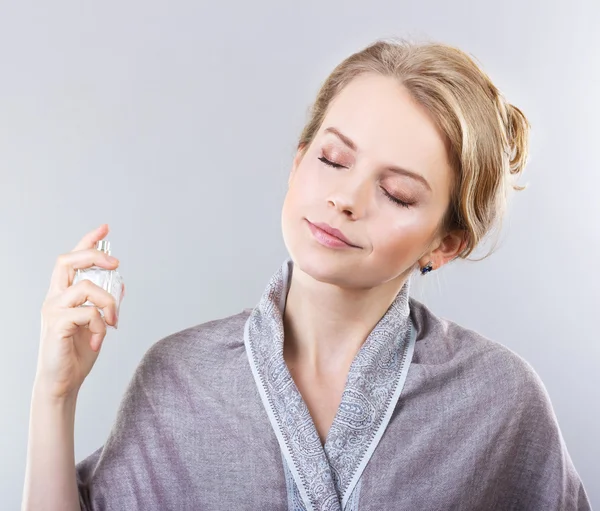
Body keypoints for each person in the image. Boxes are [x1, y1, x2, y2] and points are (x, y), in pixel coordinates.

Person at [22, 38, 592, 511]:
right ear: (298, 164)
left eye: (396, 193)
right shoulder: (178, 378)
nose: (345, 198)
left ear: (444, 245)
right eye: (333, 160)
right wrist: (56, 395)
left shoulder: (499, 401)